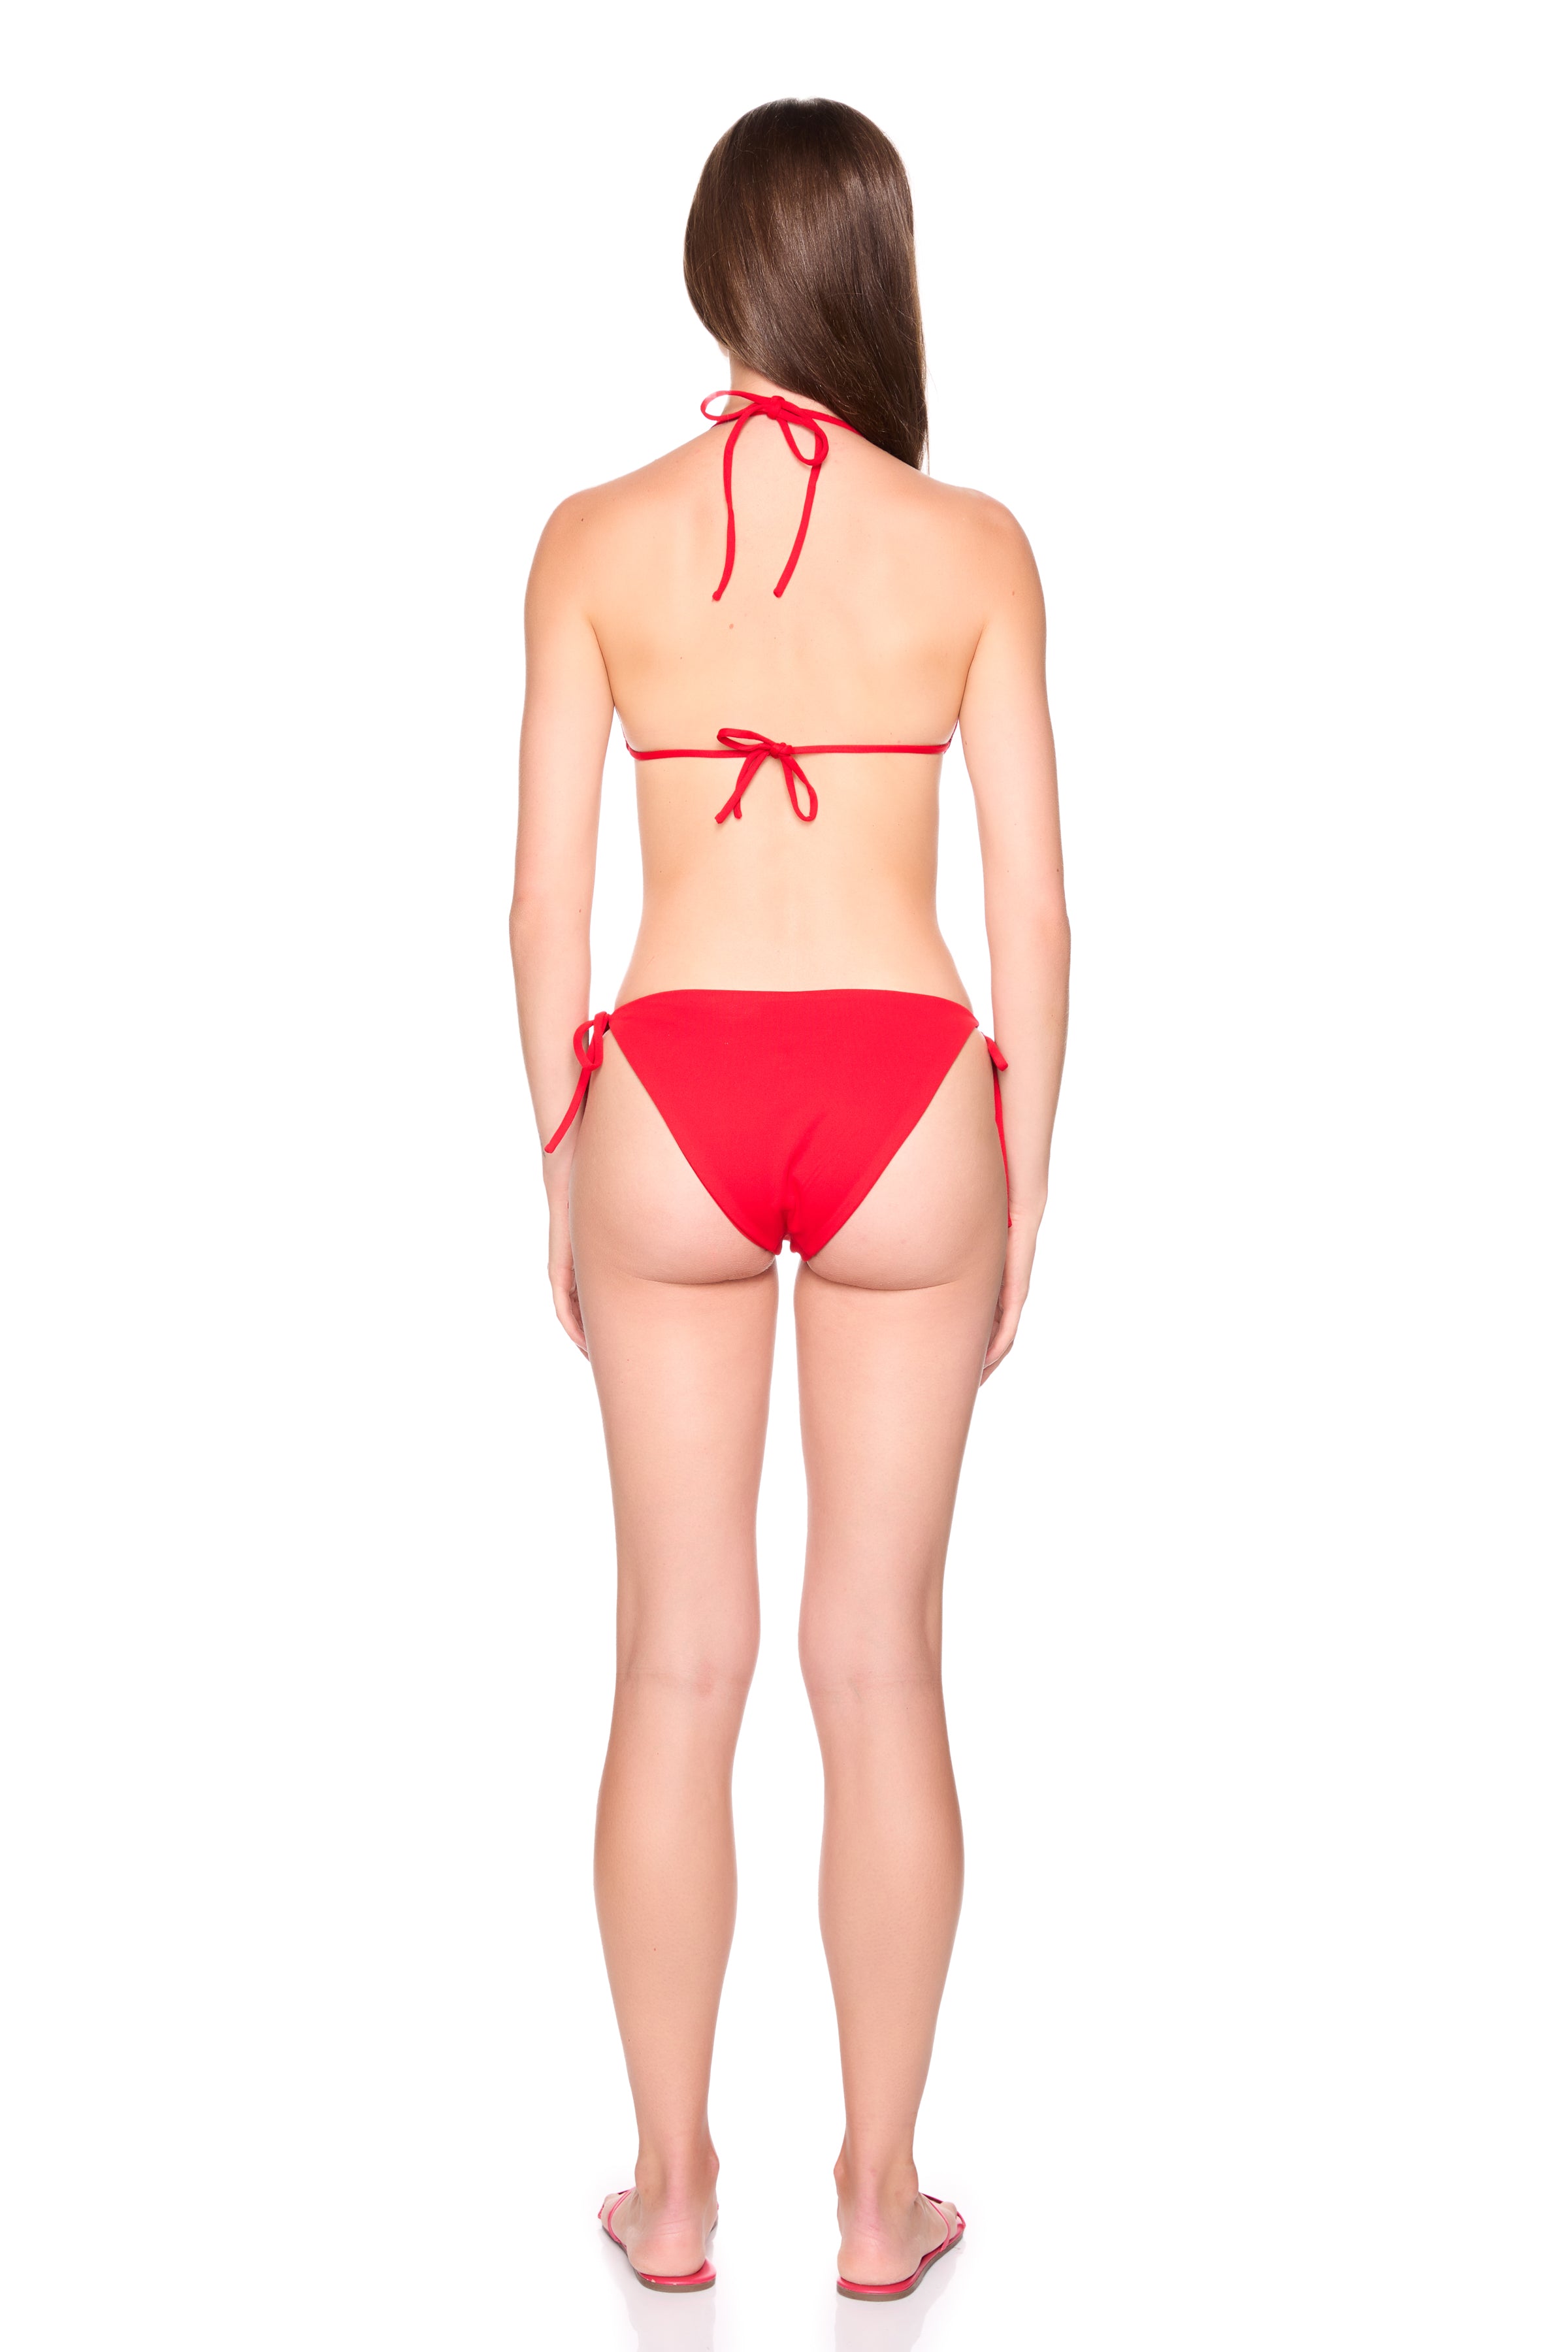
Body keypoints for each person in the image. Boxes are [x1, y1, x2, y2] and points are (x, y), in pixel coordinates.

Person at [510, 96, 1068, 2303]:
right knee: (878, 1665)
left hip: (669, 1086)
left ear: (713, 269)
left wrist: (564, 1150)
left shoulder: (593, 541)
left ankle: (669, 2198)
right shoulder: (976, 547)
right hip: (911, 1091)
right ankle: (877, 2199)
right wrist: (1026, 1174)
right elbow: (1037, 911)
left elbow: (542, 902)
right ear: (874, 268)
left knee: (676, 1660)